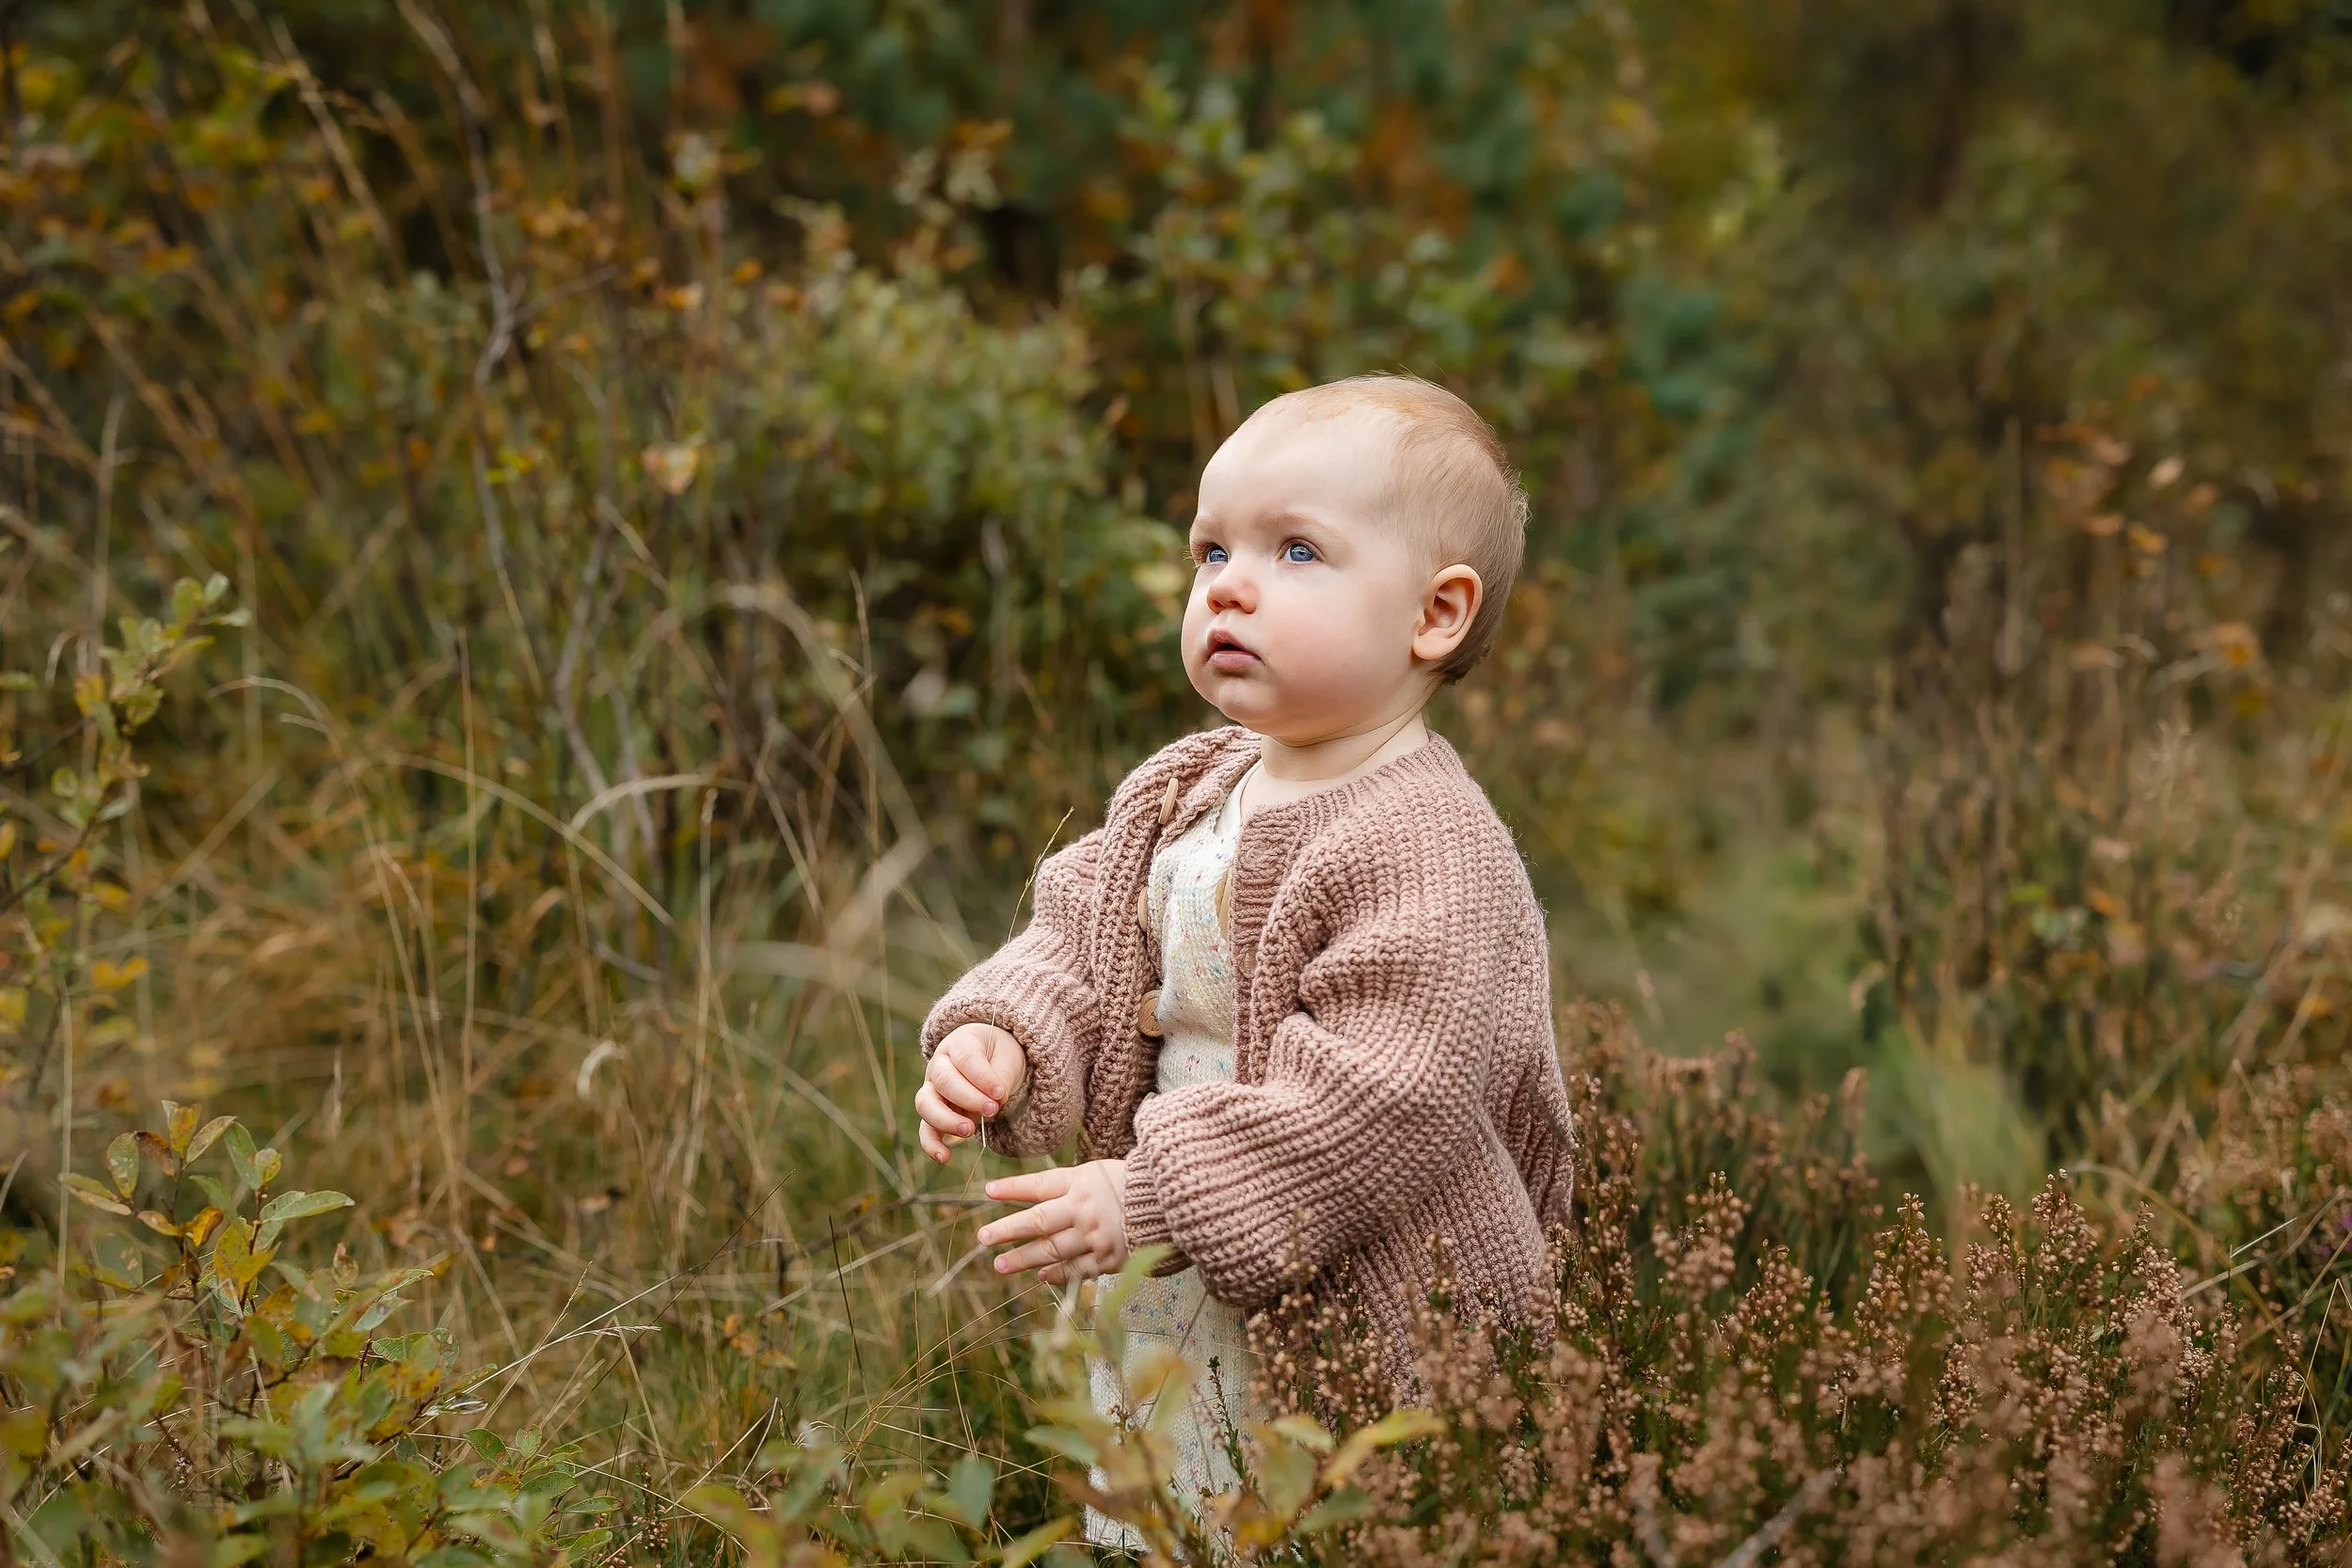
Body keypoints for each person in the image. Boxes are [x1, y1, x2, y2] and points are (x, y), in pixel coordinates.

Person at [913, 373, 1578, 1549]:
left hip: (1360, 1285)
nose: (1227, 582)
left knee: (1320, 1517)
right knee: (1165, 1506)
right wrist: (1005, 1036)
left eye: (1298, 551)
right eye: (1209, 548)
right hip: (1172, 1263)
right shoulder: (1186, 780)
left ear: (1436, 614)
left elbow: (1390, 1089)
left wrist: (1150, 1191)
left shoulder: (1429, 841)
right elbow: (1083, 936)